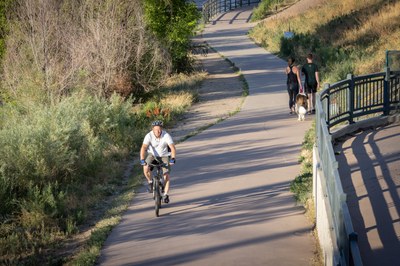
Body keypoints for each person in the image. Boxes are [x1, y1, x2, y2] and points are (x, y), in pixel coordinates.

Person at [140, 120, 176, 203]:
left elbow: (173, 148)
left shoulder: (166, 135)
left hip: (164, 156)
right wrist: (142, 159)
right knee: (145, 167)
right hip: (152, 155)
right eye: (156, 129)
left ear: (161, 129)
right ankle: (150, 182)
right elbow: (143, 148)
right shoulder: (149, 136)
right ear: (152, 129)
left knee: (166, 175)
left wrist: (173, 158)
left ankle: (166, 194)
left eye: (159, 129)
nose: (158, 131)